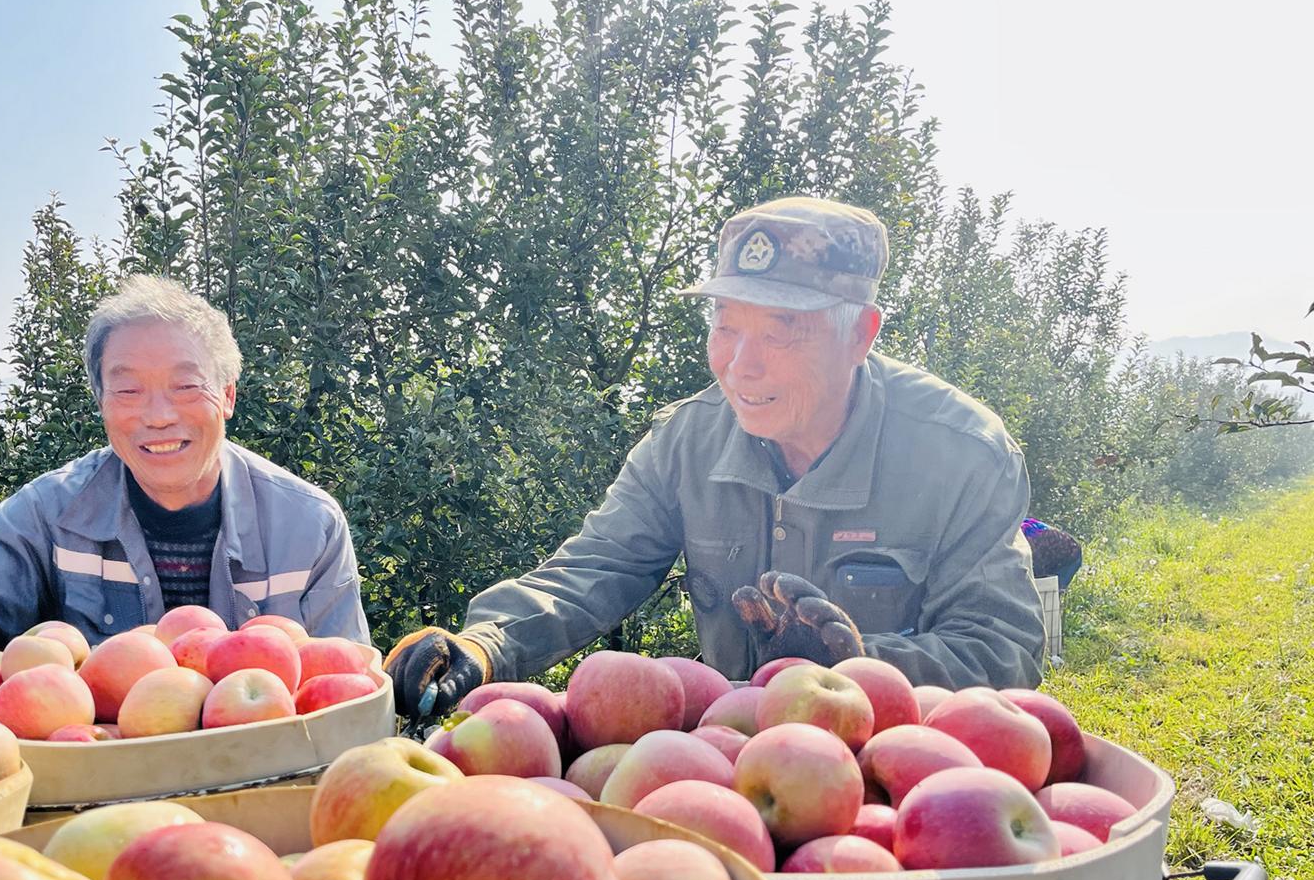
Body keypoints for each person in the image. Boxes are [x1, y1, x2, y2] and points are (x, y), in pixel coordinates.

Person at [385, 197, 1045, 720]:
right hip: (734, 771)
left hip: (896, 780)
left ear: (860, 337)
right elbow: (598, 565)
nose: (740, 364)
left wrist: (857, 664)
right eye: (726, 326)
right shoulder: (688, 441)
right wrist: (486, 644)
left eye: (780, 333)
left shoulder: (960, 455)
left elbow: (1003, 651)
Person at [0, 275, 368, 720]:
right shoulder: (52, 515)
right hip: (93, 795)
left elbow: (344, 687)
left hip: (262, 782)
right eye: (127, 389)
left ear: (226, 395)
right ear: (101, 402)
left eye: (184, 385)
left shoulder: (307, 525)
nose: (157, 415)